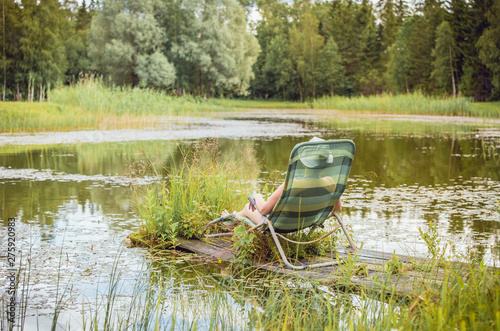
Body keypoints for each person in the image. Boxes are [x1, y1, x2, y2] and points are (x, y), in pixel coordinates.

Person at [221, 182, 341, 225]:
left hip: (279, 225)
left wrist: (256, 198)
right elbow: (338, 208)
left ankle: (233, 219)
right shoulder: (331, 183)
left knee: (249, 206)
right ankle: (234, 218)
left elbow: (263, 211)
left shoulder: (292, 182)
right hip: (307, 222)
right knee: (251, 205)